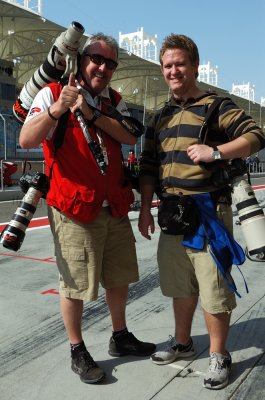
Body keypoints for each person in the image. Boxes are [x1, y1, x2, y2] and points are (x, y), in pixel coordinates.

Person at [19, 32, 155, 384]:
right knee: (75, 284)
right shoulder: (52, 92)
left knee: (120, 277)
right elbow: (26, 139)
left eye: (110, 63)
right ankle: (77, 348)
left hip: (115, 204)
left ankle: (120, 335)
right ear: (80, 59)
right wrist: (58, 108)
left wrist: (91, 113)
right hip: (74, 208)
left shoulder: (113, 99)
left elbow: (128, 135)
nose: (102, 67)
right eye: (96, 59)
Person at [138, 33, 265, 390]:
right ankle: (182, 342)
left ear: (194, 65)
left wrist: (218, 152)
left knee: (214, 289)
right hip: (171, 215)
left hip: (208, 214)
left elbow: (256, 134)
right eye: (167, 65)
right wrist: (146, 209)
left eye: (180, 64)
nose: (173, 71)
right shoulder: (159, 116)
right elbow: (148, 165)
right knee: (181, 286)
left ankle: (219, 355)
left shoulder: (216, 106)